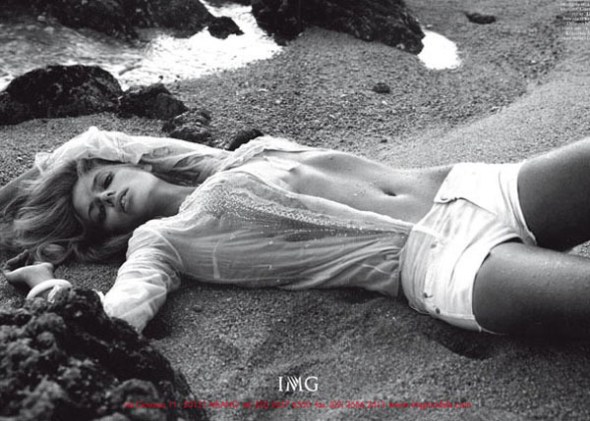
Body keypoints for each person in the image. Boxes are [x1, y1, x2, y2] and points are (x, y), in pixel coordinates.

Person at [2, 127, 590, 337]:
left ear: (127, 159)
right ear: (108, 233)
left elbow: (91, 140)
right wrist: (44, 282)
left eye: (104, 180)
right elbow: (116, 317)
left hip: (471, 185)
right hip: (442, 262)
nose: (108, 197)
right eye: (98, 211)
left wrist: (41, 180)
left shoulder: (223, 160)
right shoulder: (160, 242)